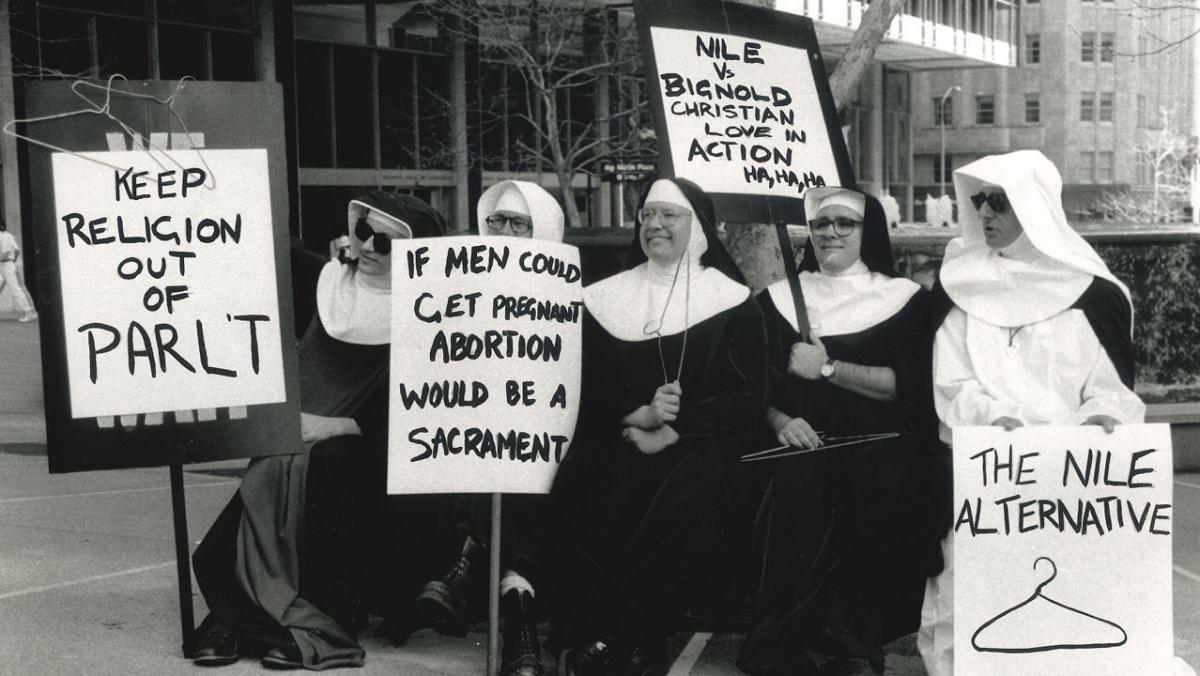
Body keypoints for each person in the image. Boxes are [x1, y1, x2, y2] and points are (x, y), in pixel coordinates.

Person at [190, 191, 446, 670]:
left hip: (374, 455)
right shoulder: (323, 279)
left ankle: (281, 617)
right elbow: (262, 247)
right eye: (363, 232)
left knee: (329, 465)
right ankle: (237, 615)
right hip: (295, 435)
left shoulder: (432, 312)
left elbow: (426, 407)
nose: (369, 246)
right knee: (251, 504)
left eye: (386, 242)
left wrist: (340, 425)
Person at [916, 150, 1146, 676]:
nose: (986, 215)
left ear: (1034, 207)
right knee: (970, 597)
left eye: (1000, 203)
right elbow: (951, 381)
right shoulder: (959, 285)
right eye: (980, 203)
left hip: (1072, 478)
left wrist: (1100, 418)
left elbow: (1109, 389)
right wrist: (997, 421)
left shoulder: (1096, 295)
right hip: (989, 471)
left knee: (1073, 600)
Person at [545, 177, 769, 676]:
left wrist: (677, 429)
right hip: (617, 435)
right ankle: (603, 633)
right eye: (647, 215)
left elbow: (749, 395)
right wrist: (636, 415)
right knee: (583, 481)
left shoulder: (733, 300)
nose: (654, 225)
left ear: (700, 228)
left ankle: (625, 637)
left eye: (669, 215)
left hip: (704, 446)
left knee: (691, 494)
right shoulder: (600, 298)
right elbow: (573, 380)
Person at [736, 187, 945, 676]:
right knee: (793, 495)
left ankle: (851, 642)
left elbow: (909, 388)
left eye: (843, 223)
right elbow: (751, 386)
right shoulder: (777, 300)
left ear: (866, 230)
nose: (830, 232)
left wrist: (827, 367)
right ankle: (799, 646)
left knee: (875, 491)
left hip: (879, 446)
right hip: (793, 444)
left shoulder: (905, 299)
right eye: (821, 223)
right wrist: (780, 422)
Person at [413, 180, 564, 676]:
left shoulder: (570, 298)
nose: (503, 231)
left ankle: (468, 567)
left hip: (553, 447)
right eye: (495, 221)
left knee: (509, 459)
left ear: (542, 230)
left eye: (518, 223)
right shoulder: (459, 288)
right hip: (475, 446)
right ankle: (516, 621)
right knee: (490, 452)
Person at [0, 219, 36, 322]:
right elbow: (17, 250)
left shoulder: (3, 236)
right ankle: (30, 310)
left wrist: (12, 262)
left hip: (6, 265)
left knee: (16, 289)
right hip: (6, 264)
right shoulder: (8, 235)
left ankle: (29, 311)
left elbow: (6, 253)